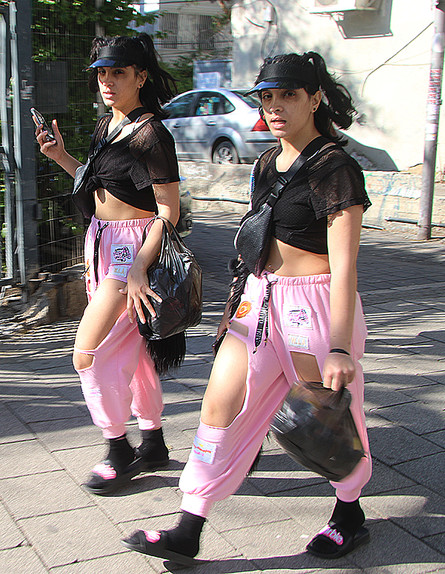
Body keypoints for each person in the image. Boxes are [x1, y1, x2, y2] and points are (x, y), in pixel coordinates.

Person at [122, 51, 372, 563]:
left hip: (313, 306)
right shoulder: (264, 163)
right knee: (219, 403)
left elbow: (345, 268)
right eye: (268, 96)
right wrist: (235, 304)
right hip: (257, 301)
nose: (275, 106)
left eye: (288, 95)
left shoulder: (335, 168)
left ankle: (349, 511)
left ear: (314, 99)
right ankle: (189, 523)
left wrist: (340, 346)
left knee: (323, 417)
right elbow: (257, 243)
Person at [35, 33, 181, 495]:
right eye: (102, 72)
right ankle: (152, 440)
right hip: (101, 244)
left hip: (133, 251)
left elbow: (169, 211)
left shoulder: (151, 134)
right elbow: (99, 186)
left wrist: (139, 266)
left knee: (88, 353)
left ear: (141, 76)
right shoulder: (106, 126)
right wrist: (60, 156)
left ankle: (118, 449)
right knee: (134, 349)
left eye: (118, 72)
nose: (107, 81)